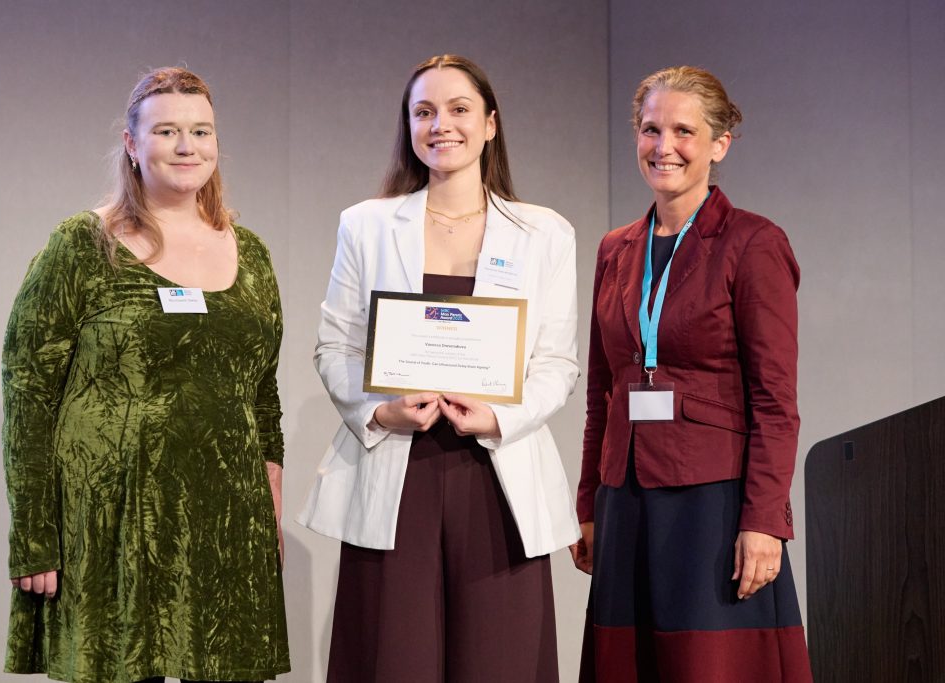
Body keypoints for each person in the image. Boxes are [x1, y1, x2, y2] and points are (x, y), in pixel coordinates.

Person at [297, 54, 580, 682]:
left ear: (490, 125)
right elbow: (336, 348)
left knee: (498, 660)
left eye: (458, 110)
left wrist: (499, 417)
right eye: (424, 111)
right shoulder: (366, 225)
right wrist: (379, 410)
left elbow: (557, 363)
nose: (440, 125)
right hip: (399, 465)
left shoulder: (545, 233)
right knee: (394, 659)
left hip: (498, 473)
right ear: (409, 126)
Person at [2, 67, 289, 683]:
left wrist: (269, 509)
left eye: (200, 131)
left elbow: (261, 394)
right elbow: (27, 391)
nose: (187, 146)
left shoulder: (253, 253)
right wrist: (33, 534)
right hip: (111, 518)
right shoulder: (84, 244)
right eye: (166, 130)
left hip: (224, 518)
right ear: (133, 144)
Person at [573, 66, 813, 681]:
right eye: (651, 129)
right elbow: (604, 393)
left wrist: (764, 520)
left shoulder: (754, 243)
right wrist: (587, 505)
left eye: (684, 130)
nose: (664, 146)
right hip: (625, 497)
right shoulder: (614, 249)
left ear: (719, 143)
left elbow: (776, 401)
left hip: (714, 501)